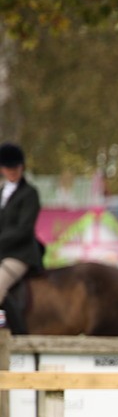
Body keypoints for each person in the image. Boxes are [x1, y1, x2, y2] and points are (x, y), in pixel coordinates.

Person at [0, 143, 43, 334]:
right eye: (9, 168)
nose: (13, 172)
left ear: (22, 167)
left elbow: (24, 229)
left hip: (19, 253)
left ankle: (18, 336)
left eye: (16, 168)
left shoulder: (29, 194)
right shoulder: (1, 192)